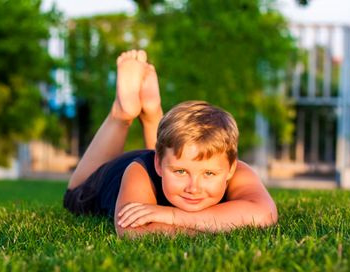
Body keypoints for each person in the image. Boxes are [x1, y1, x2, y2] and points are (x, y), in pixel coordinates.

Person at [64, 50, 277, 237]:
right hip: (109, 177)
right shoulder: (139, 173)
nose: (194, 188)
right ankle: (121, 114)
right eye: (181, 172)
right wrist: (217, 226)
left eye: (209, 174)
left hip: (165, 157)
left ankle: (151, 112)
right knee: (73, 193)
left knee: (171, 151)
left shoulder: (234, 168)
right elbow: (132, 230)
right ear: (158, 164)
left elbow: (264, 214)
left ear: (230, 169)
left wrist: (172, 216)